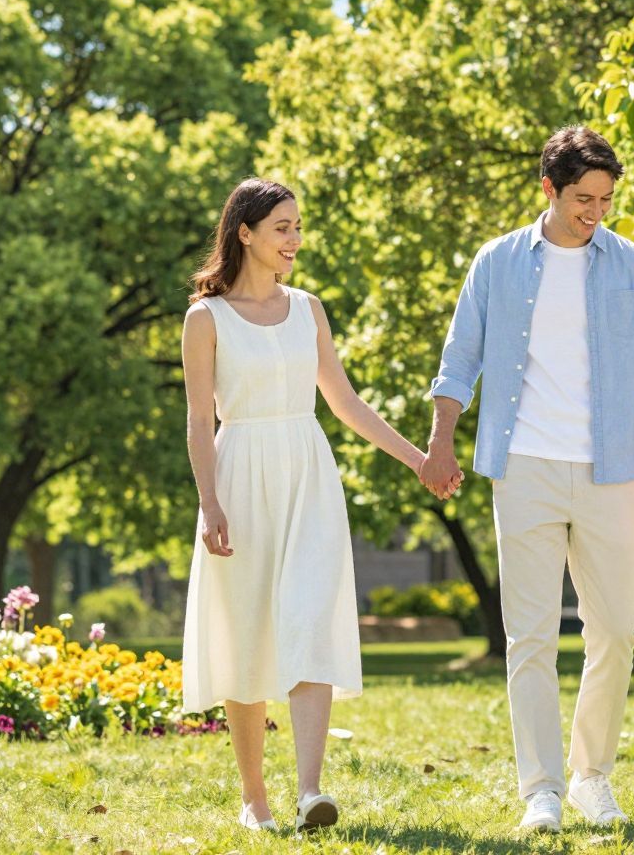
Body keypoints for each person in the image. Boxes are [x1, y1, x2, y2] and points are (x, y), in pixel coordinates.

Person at [419, 125, 634, 833]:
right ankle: (540, 789)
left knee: (616, 632)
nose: (595, 212)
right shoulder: (498, 262)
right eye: (582, 199)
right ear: (549, 188)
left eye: (606, 199)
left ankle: (590, 777)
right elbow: (459, 360)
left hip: (612, 471)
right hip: (524, 468)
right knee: (531, 637)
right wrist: (440, 443)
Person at [180, 178, 441, 833]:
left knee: (309, 618)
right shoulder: (205, 319)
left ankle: (310, 793)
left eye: (298, 226)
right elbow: (198, 419)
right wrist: (209, 502)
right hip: (239, 477)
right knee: (245, 631)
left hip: (308, 474)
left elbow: (344, 402)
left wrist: (417, 459)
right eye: (283, 228)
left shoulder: (309, 310)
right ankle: (254, 799)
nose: (295, 239)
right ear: (245, 233)